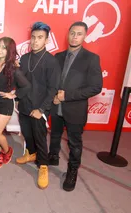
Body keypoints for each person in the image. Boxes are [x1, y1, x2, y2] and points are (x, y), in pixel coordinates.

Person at [49, 21, 103, 191]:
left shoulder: (91, 58)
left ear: (85, 36)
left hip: (75, 109)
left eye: (79, 33)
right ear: (68, 34)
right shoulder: (58, 56)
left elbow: (96, 87)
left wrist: (67, 96)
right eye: (72, 33)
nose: (74, 36)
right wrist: (54, 97)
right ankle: (53, 157)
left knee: (74, 143)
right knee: (55, 135)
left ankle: (72, 172)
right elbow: (52, 81)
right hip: (56, 107)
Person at [16, 22, 61, 189]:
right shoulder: (25, 58)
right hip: (25, 106)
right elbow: (21, 83)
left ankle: (43, 165)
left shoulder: (51, 61)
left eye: (40, 38)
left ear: (46, 40)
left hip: (39, 108)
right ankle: (32, 154)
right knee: (27, 135)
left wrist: (41, 109)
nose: (35, 41)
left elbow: (52, 89)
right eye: (33, 37)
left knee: (40, 138)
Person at [0, 37, 31, 168]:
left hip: (4, 103)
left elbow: (27, 86)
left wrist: (13, 94)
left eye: (3, 48)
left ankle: (7, 150)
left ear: (9, 50)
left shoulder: (13, 68)